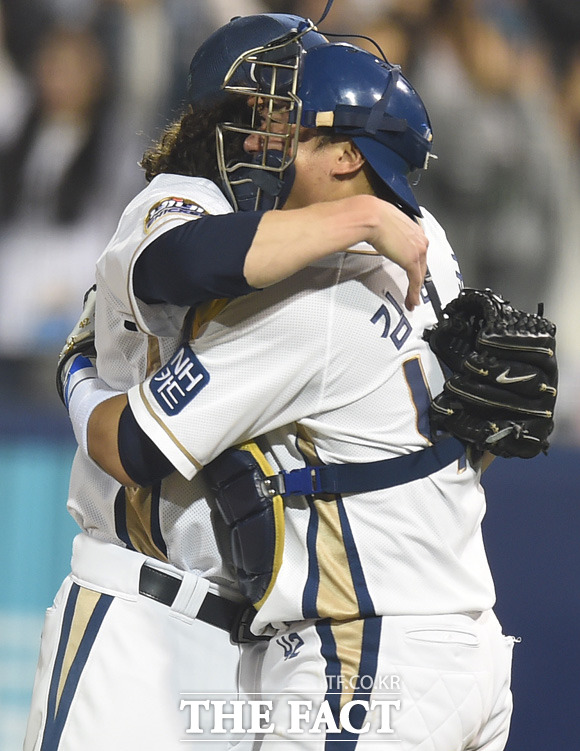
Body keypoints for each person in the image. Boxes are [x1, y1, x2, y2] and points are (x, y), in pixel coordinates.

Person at [68, 38, 515, 751]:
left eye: (290, 130)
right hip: (469, 649)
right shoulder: (431, 247)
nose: (266, 143)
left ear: (345, 157)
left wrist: (76, 371)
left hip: (366, 657)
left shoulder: (307, 295)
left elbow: (131, 443)